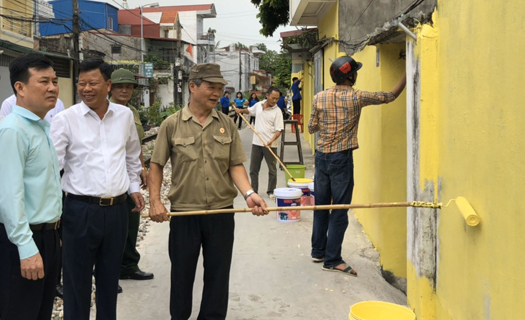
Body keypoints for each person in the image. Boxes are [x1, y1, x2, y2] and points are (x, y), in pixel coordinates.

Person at [148, 63, 268, 320]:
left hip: (221, 213)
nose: (216, 93)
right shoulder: (171, 125)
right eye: (210, 87)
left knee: (218, 273)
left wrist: (249, 194)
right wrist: (154, 202)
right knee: (181, 274)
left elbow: (235, 166)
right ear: (193, 86)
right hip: (184, 214)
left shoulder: (227, 124)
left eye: (220, 88)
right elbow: (156, 166)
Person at [50, 59, 145, 320]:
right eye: (82, 84)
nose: (86, 89)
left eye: (93, 83)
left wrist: (134, 187)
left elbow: (131, 156)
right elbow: (52, 168)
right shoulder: (65, 120)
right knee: (76, 283)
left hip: (117, 211)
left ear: (108, 85)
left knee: (109, 281)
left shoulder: (124, 116)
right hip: (79, 211)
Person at [308, 55, 406, 276]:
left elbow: (311, 127)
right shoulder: (357, 97)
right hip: (341, 159)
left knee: (321, 206)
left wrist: (327, 122)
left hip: (321, 157)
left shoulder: (319, 97)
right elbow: (389, 96)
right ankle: (333, 259)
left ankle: (318, 251)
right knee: (340, 209)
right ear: (350, 76)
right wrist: (408, 73)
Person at [0, 53, 62, 319]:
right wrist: (26, 248)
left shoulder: (41, 127)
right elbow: (9, 196)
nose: (52, 88)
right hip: (23, 240)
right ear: (20, 88)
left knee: (40, 312)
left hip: (48, 237)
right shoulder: (13, 130)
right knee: (20, 312)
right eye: (44, 81)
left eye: (55, 81)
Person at [109, 69, 154, 287]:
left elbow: (135, 145)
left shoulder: (132, 112)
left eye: (129, 86)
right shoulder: (104, 111)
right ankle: (109, 271)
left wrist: (142, 168)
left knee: (132, 220)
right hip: (113, 176)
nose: (125, 90)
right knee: (113, 226)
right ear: (110, 87)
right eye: (120, 86)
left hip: (131, 174)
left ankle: (128, 265)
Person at [235, 87, 284, 199]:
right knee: (253, 169)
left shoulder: (277, 112)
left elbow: (279, 130)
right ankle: (254, 190)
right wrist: (241, 110)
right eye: (273, 98)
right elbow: (250, 111)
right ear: (267, 95)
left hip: (270, 145)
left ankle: (271, 191)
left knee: (272, 169)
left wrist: (270, 141)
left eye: (277, 99)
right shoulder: (258, 105)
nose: (275, 101)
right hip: (257, 143)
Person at [1, 93, 65, 122]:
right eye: (44, 81)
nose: (51, 87)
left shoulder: (58, 103)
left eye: (54, 82)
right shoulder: (9, 104)